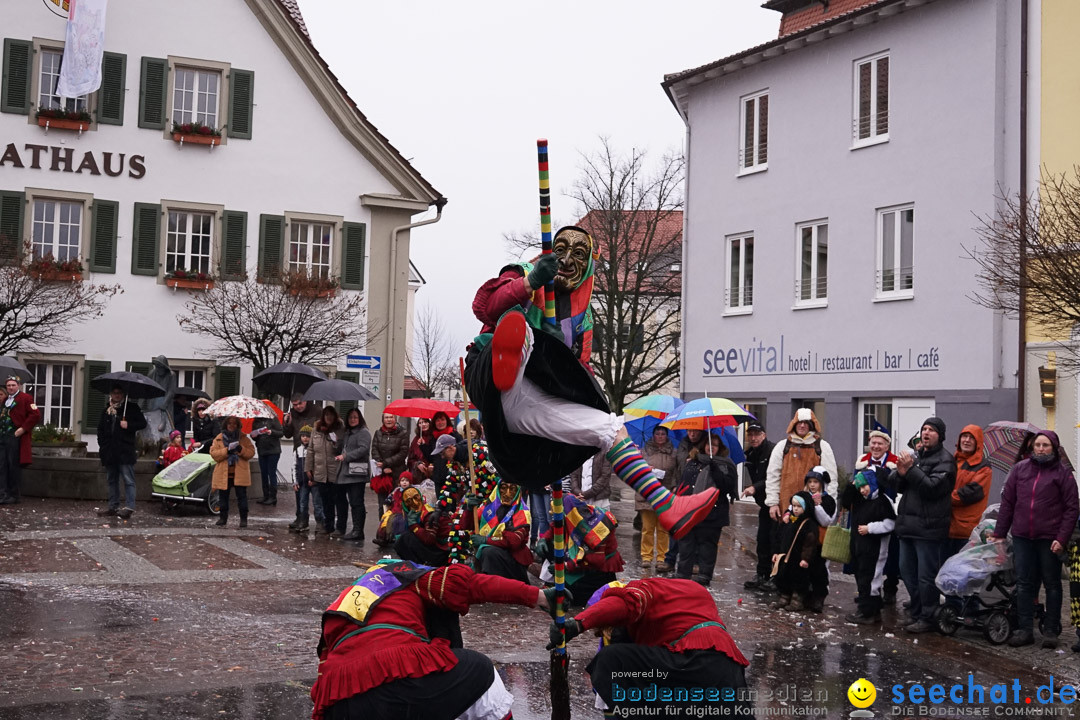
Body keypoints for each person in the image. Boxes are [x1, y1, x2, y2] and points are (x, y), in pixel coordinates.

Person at [464, 226, 718, 538]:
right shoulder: (527, 273)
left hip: (526, 406)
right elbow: (484, 307)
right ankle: (517, 350)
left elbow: (581, 372)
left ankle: (667, 505)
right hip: (490, 378)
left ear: (588, 266)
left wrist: (561, 355)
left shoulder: (582, 319)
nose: (567, 260)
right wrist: (529, 283)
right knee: (524, 331)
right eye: (560, 250)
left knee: (609, 428)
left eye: (578, 254)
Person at [312, 559, 551, 720]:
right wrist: (538, 596)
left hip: (342, 702)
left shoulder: (341, 604)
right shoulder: (407, 578)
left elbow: (324, 670)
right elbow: (474, 586)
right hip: (399, 680)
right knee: (482, 672)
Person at [552, 577, 750, 717]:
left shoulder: (643, 590)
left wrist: (578, 624)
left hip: (693, 663)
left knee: (611, 660)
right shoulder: (688, 589)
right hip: (730, 674)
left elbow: (623, 604)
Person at [993, 430, 1079, 648]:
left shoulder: (1063, 474)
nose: (1041, 449)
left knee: (1052, 583)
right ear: (1032, 447)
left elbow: (1071, 508)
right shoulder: (1020, 470)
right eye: (1038, 445)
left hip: (1050, 539)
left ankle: (1051, 630)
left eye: (1046, 445)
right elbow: (1008, 503)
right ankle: (1024, 629)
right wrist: (1000, 533)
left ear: (1054, 448)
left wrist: (1062, 537)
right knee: (1023, 583)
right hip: (1023, 536)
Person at [883, 417, 955, 633]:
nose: (926, 433)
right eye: (923, 429)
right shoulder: (917, 457)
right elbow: (896, 484)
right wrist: (902, 472)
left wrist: (911, 469)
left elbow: (932, 488)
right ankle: (916, 612)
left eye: (931, 430)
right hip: (908, 526)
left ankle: (928, 616)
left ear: (940, 436)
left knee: (926, 577)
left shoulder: (946, 461)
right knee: (907, 572)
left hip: (929, 529)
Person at [675, 433, 738, 586]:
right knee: (686, 545)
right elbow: (685, 484)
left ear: (720, 448)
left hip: (713, 513)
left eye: (715, 445)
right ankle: (682, 575)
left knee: (707, 547)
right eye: (709, 444)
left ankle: (704, 576)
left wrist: (714, 468)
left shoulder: (725, 465)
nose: (711, 447)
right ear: (703, 446)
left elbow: (727, 486)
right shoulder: (693, 462)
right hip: (691, 511)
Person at [841, 470, 896, 625]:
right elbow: (846, 501)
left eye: (864, 486)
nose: (862, 490)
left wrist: (870, 528)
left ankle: (866, 612)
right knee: (862, 578)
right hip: (860, 547)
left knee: (870, 580)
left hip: (875, 548)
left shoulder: (883, 501)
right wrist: (852, 486)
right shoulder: (861, 499)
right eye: (859, 488)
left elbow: (891, 524)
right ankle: (874, 610)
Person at [852, 428, 901, 604]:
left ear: (887, 445)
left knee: (888, 555)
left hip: (885, 511)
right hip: (864, 512)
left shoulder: (894, 464)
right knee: (864, 555)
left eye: (880, 443)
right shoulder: (861, 463)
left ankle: (890, 588)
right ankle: (868, 591)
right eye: (873, 442)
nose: (876, 446)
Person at [765, 408, 837, 524]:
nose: (802, 426)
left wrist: (828, 505)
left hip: (813, 506)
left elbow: (830, 479)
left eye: (806, 423)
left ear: (811, 425)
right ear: (794, 424)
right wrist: (773, 502)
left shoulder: (822, 447)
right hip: (786, 504)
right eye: (799, 422)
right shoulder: (782, 446)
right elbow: (773, 476)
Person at [95, 386, 147, 518]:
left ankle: (129, 507)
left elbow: (142, 423)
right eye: (114, 393)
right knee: (112, 479)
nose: (117, 395)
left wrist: (128, 425)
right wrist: (103, 445)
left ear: (123, 394)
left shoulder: (131, 408)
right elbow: (100, 430)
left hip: (124, 450)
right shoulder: (107, 410)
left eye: (119, 393)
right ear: (111, 394)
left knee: (128, 479)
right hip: (110, 451)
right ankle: (113, 506)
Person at [472, 480, 532, 582]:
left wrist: (487, 540)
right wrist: (469, 509)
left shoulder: (522, 511)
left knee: (488, 551)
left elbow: (514, 541)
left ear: (518, 492)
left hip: (513, 560)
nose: (507, 494)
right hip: (494, 557)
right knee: (486, 552)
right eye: (504, 488)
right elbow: (467, 524)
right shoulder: (490, 506)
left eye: (512, 489)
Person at [741, 421, 777, 590]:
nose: (753, 438)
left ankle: (775, 577)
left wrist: (755, 487)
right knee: (762, 540)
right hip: (764, 504)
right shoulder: (750, 454)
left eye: (757, 434)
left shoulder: (772, 451)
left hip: (776, 503)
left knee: (774, 541)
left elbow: (773, 478)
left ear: (764, 435)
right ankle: (761, 574)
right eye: (751, 435)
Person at [771, 491, 820, 611]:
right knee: (784, 577)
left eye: (799, 506)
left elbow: (810, 543)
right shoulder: (789, 521)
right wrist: (776, 552)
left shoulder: (809, 524)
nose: (796, 509)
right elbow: (779, 537)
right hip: (786, 556)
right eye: (794, 506)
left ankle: (797, 600)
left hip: (798, 558)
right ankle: (784, 597)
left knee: (799, 580)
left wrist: (805, 558)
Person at [948, 425, 992, 558]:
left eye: (971, 438)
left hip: (966, 531)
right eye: (964, 436)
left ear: (978, 442)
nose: (966, 440)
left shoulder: (983, 467)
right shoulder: (952, 462)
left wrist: (941, 496)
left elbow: (968, 494)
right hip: (947, 528)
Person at [642, 425, 677, 572]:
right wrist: (646, 468)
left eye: (663, 433)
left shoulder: (673, 452)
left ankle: (662, 557)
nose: (660, 436)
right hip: (647, 493)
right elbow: (637, 468)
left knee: (663, 529)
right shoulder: (645, 450)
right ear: (653, 435)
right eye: (658, 433)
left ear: (667, 436)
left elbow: (676, 471)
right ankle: (646, 556)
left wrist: (674, 486)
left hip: (665, 493)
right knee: (647, 528)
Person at [0, 377, 40, 505]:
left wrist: (23, 429)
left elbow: (35, 415)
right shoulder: (5, 400)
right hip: (3, 436)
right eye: (8, 386)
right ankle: (4, 493)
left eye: (13, 385)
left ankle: (14, 495)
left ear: (18, 385)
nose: (10, 387)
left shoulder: (26, 398)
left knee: (13, 466)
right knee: (2, 466)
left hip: (15, 437)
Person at [210, 416, 256, 528]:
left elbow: (251, 453)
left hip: (239, 473)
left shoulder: (244, 438)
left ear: (238, 425)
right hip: (223, 473)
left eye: (234, 423)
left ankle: (243, 519)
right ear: (226, 425)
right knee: (223, 498)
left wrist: (241, 449)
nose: (232, 426)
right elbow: (214, 454)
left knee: (242, 497)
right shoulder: (219, 438)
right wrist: (227, 450)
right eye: (229, 423)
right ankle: (223, 518)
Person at [803, 466, 837, 613]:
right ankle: (805, 595)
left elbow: (826, 521)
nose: (812, 485)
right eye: (810, 481)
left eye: (815, 482)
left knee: (819, 570)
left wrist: (817, 505)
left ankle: (819, 597)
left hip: (820, 541)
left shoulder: (828, 500)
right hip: (805, 540)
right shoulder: (804, 497)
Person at [308, 406, 345, 538]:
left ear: (335, 416)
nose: (328, 417)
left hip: (335, 471)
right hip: (320, 471)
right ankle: (328, 526)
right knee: (325, 501)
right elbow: (311, 450)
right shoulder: (316, 430)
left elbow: (340, 449)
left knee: (337, 500)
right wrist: (308, 468)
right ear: (323, 416)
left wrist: (334, 441)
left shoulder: (340, 430)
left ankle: (340, 527)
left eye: (331, 415)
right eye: (326, 415)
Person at [336, 408, 371, 542]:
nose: (353, 419)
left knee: (356, 502)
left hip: (357, 473)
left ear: (360, 418)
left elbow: (363, 449)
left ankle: (358, 530)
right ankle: (348, 527)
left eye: (355, 417)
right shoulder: (347, 433)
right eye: (350, 417)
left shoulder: (363, 432)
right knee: (344, 500)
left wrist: (346, 456)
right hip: (346, 473)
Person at [394, 486, 452, 566]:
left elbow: (429, 539)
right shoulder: (419, 513)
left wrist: (414, 525)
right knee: (404, 538)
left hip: (443, 552)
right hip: (439, 549)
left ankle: (420, 565)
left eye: (416, 497)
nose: (415, 503)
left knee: (405, 539)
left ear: (420, 497)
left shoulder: (428, 513)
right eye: (409, 501)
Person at [370, 412, 409, 512]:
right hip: (382, 475)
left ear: (395, 419)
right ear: (383, 419)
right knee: (382, 506)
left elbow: (403, 453)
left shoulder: (403, 433)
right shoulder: (378, 433)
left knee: (396, 504)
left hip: (397, 474)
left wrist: (386, 463)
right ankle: (382, 527)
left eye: (391, 417)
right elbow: (374, 450)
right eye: (386, 417)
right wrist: (382, 466)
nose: (389, 420)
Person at [288, 425, 319, 533]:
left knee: (317, 503)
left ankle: (320, 523)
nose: (305, 438)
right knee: (302, 503)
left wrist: (314, 478)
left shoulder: (315, 450)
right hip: (302, 482)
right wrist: (295, 482)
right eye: (303, 436)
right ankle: (303, 521)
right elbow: (294, 466)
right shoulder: (298, 450)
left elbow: (317, 466)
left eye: (307, 436)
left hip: (314, 482)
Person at [139, 355, 176, 444]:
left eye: (160, 367)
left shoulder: (171, 375)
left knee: (161, 402)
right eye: (157, 367)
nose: (159, 370)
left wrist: (165, 402)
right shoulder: (152, 373)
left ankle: (163, 419)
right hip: (153, 400)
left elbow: (171, 391)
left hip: (165, 402)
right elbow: (146, 388)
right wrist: (139, 406)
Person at [251, 409, 284, 506]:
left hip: (273, 450)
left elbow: (281, 433)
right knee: (263, 473)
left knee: (271, 473)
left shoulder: (272, 419)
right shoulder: (255, 421)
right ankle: (265, 495)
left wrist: (271, 432)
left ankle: (273, 497)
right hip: (262, 450)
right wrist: (254, 435)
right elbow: (254, 435)